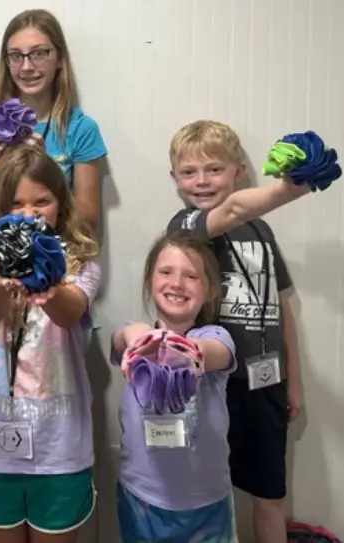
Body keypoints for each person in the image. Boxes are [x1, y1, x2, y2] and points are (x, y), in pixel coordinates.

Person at [0, 145, 100, 543]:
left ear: (60, 205)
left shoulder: (81, 261)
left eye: (41, 201)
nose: (29, 214)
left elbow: (70, 311)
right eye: (15, 204)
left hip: (60, 445)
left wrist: (47, 281)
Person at [165, 120, 309, 543]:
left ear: (238, 172)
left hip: (267, 386)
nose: (202, 181)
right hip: (212, 386)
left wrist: (294, 382)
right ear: (174, 178)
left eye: (214, 169)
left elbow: (282, 310)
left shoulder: (262, 231)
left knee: (270, 496)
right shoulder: (186, 224)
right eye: (189, 172)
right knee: (206, 494)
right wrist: (292, 187)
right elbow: (231, 211)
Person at [0, 8, 107, 346]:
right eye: (16, 56)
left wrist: (42, 163)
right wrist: (0, 170)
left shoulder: (80, 129)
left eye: (39, 53)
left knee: (59, 376)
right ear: (5, 63)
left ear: (59, 60)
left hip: (57, 275)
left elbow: (89, 221)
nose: (27, 66)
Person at [111, 231, 237, 542]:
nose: (177, 283)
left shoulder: (216, 337)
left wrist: (183, 353)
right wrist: (145, 341)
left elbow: (214, 352)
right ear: (149, 281)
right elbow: (126, 336)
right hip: (142, 498)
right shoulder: (134, 336)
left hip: (206, 501)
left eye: (191, 276)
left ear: (209, 291)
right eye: (165, 272)